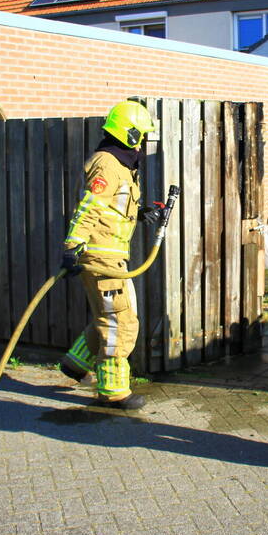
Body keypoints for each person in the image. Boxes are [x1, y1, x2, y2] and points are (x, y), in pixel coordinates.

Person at [60, 100, 163, 410]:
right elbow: (90, 206)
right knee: (122, 321)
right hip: (101, 257)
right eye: (141, 136)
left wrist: (141, 211)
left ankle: (76, 363)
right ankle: (113, 391)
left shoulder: (121, 166)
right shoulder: (107, 163)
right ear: (129, 134)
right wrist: (73, 245)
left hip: (112, 255)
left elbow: (112, 207)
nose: (143, 143)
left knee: (110, 316)